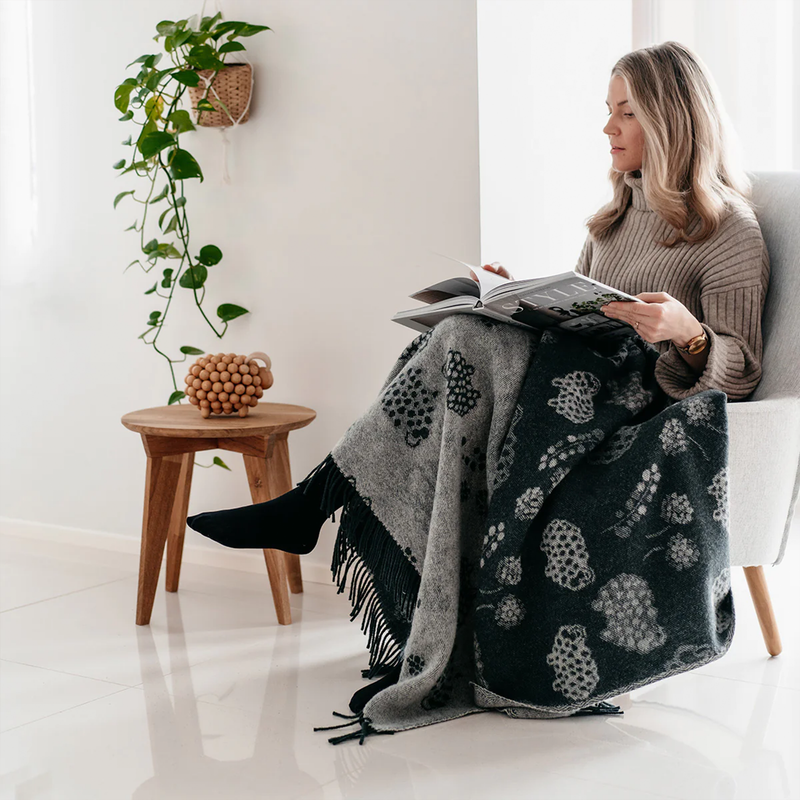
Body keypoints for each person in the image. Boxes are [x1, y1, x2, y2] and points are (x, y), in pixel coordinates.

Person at [187, 41, 769, 559]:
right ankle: (318, 505)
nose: (607, 128)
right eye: (607, 111)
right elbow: (586, 319)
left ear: (670, 121)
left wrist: (687, 332)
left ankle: (312, 503)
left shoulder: (730, 231)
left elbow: (741, 374)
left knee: (461, 340)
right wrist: (515, 297)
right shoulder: (610, 224)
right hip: (572, 384)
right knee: (461, 326)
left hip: (633, 406)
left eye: (626, 113)